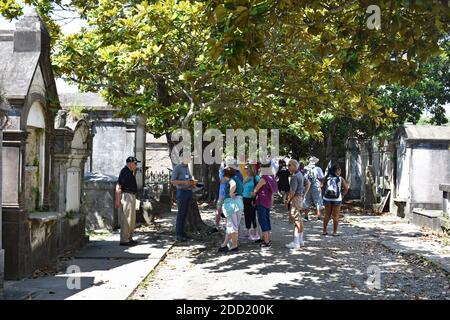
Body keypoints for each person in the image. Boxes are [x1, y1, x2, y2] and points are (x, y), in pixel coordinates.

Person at [211, 158, 243, 233]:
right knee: (219, 210)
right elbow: (222, 181)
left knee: (228, 212)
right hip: (223, 195)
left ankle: (228, 229)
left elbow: (238, 184)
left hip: (230, 196)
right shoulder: (225, 172)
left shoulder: (236, 173)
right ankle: (217, 226)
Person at [115, 156, 141, 246]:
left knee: (131, 219)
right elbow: (119, 186)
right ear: (130, 163)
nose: (136, 165)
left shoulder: (130, 172)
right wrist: (118, 200)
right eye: (135, 163)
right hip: (126, 196)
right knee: (126, 218)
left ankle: (129, 238)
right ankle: (124, 239)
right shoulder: (124, 172)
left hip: (132, 196)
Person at [170, 155, 197, 242]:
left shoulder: (187, 168)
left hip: (188, 191)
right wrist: (185, 182)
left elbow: (188, 179)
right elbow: (173, 181)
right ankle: (178, 234)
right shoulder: (178, 168)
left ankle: (183, 233)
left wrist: (192, 183)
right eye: (188, 158)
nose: (189, 159)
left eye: (190, 158)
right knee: (181, 214)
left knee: (185, 214)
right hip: (181, 192)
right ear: (183, 158)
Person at [285, 159, 311, 249]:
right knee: (299, 219)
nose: (288, 167)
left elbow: (292, 192)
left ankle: (297, 242)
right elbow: (308, 183)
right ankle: (300, 240)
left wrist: (287, 201)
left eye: (289, 165)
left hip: (295, 199)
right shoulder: (300, 174)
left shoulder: (295, 176)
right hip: (299, 198)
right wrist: (304, 195)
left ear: (294, 166)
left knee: (297, 220)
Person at [218, 166, 244, 253]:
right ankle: (224, 245)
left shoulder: (231, 180)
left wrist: (230, 192)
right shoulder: (237, 178)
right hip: (239, 203)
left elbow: (233, 185)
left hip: (232, 204)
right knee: (231, 226)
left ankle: (234, 246)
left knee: (232, 226)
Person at [254, 159, 278, 249]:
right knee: (266, 219)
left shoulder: (264, 178)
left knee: (262, 220)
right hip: (268, 201)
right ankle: (267, 239)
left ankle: (266, 242)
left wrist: (251, 193)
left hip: (261, 201)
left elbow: (256, 189)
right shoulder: (271, 176)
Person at [322, 163, 349, 236]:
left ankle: (324, 231)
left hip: (327, 198)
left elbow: (321, 186)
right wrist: (342, 195)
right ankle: (334, 232)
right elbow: (346, 188)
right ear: (337, 170)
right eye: (339, 170)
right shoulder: (340, 178)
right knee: (335, 216)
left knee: (327, 215)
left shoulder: (327, 177)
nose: (340, 171)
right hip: (337, 199)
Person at [303, 156, 325, 221]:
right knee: (318, 201)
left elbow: (304, 178)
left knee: (307, 200)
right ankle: (318, 217)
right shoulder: (318, 168)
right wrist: (321, 184)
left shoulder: (305, 168)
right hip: (316, 185)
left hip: (307, 186)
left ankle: (306, 217)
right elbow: (322, 177)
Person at [242, 164, 260, 241]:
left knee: (253, 215)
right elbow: (242, 187)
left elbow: (260, 189)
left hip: (252, 199)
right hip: (245, 198)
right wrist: (244, 181)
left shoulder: (256, 178)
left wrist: (254, 195)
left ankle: (256, 233)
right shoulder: (246, 178)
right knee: (246, 215)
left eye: (247, 169)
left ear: (251, 169)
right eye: (246, 169)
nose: (246, 170)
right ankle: (247, 232)